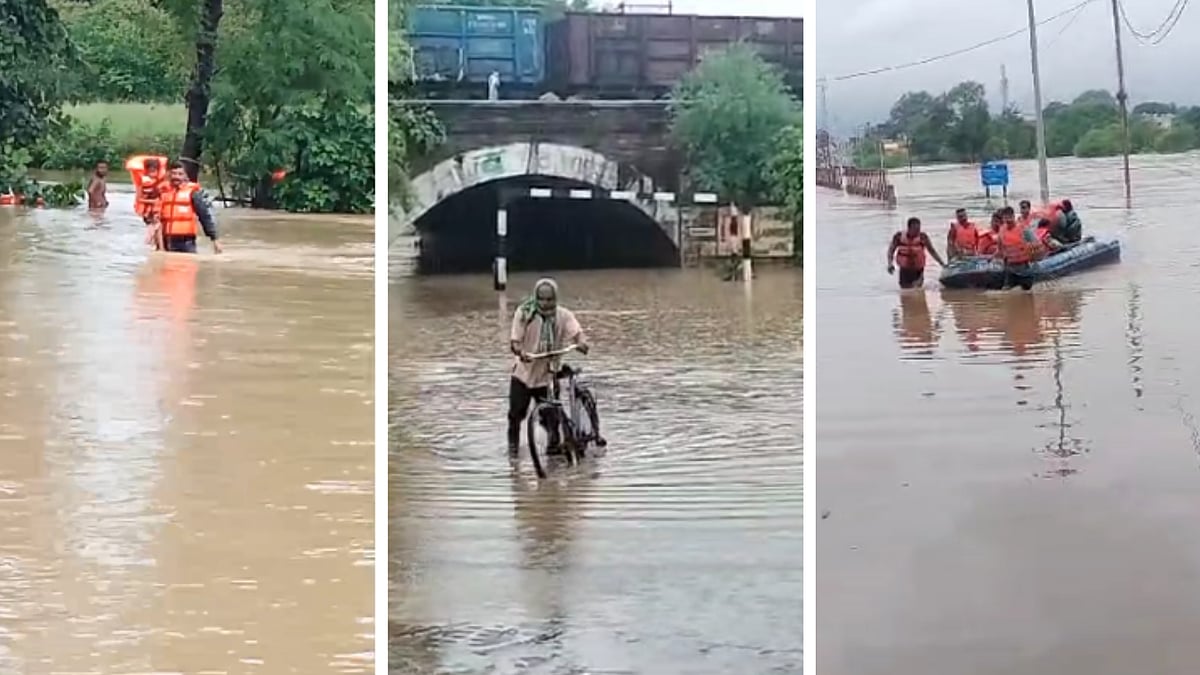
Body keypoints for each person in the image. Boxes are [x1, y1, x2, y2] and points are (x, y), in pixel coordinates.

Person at [507, 278, 590, 459]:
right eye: (542, 299)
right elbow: (515, 341)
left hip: (548, 374)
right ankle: (513, 456)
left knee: (551, 419)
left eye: (550, 300)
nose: (546, 304)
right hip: (524, 373)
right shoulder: (524, 313)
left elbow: (576, 333)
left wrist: (582, 342)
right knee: (515, 416)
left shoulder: (563, 315)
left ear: (556, 299)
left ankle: (553, 452)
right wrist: (520, 352)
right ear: (536, 297)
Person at [156, 161, 223, 254]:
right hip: (166, 241)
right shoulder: (162, 192)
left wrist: (215, 239)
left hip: (186, 242)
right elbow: (154, 217)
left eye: (180, 174)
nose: (176, 176)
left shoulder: (193, 193)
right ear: (169, 174)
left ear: (185, 176)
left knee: (188, 266)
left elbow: (204, 216)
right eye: (174, 173)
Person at [888, 216, 946, 289]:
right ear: (909, 228)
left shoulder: (923, 237)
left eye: (919, 229)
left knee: (917, 290)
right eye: (915, 229)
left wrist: (942, 264)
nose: (918, 231)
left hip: (918, 269)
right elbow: (891, 250)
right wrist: (890, 264)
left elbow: (932, 251)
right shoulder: (899, 236)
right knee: (905, 290)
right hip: (905, 270)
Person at [997, 205, 1038, 288]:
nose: (1008, 220)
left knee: (1027, 293)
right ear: (1003, 218)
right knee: (1006, 291)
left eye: (1009, 217)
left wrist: (1034, 259)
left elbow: (1036, 244)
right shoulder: (1001, 230)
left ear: (1013, 216)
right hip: (1010, 269)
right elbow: (1000, 249)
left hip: (1024, 268)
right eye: (1005, 218)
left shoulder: (1023, 229)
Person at [135, 157, 168, 250]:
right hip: (149, 212)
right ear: (146, 171)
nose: (153, 173)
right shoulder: (145, 183)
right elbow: (140, 199)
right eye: (150, 171)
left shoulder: (160, 182)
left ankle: (159, 248)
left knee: (159, 229)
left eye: (155, 171)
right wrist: (155, 201)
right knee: (155, 229)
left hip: (156, 210)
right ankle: (158, 249)